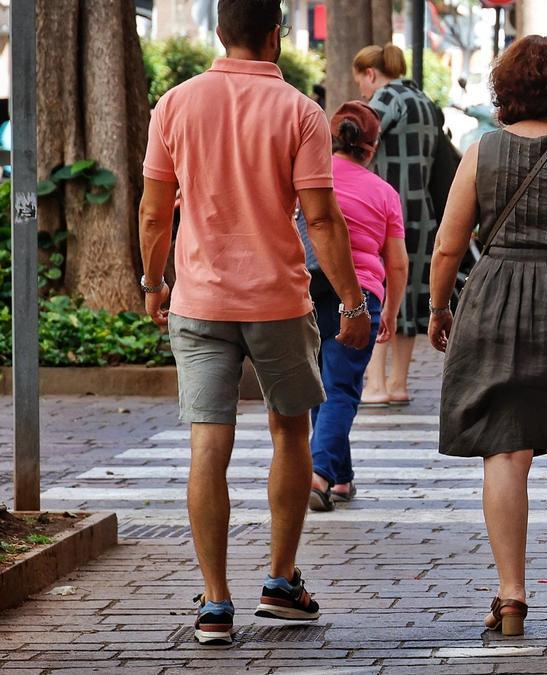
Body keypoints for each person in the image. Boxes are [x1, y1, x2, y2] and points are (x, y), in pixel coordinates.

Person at [138, 0, 371, 646]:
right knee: (290, 431)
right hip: (279, 301)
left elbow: (156, 211)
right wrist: (352, 299)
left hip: (200, 301)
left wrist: (154, 282)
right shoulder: (301, 112)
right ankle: (281, 578)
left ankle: (215, 601)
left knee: (208, 444)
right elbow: (322, 219)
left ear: (218, 32)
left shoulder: (175, 105)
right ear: (276, 35)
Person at [427, 35, 547, 637]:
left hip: (493, 297)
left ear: (505, 90)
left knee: (505, 448)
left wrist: (438, 307)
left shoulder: (481, 151)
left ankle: (511, 595)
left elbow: (448, 243)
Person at [308, 101, 409, 512]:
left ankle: (341, 478)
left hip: (308, 286)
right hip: (361, 293)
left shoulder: (309, 179)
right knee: (343, 387)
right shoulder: (383, 193)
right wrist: (391, 311)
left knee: (320, 384)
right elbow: (397, 261)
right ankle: (318, 475)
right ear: (372, 148)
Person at [352, 44, 441, 407]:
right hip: (422, 209)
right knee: (410, 295)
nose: (362, 91)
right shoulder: (424, 100)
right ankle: (398, 383)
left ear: (371, 74)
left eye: (361, 82)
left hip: (385, 211)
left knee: (380, 291)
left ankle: (375, 384)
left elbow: (354, 140)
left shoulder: (385, 99)